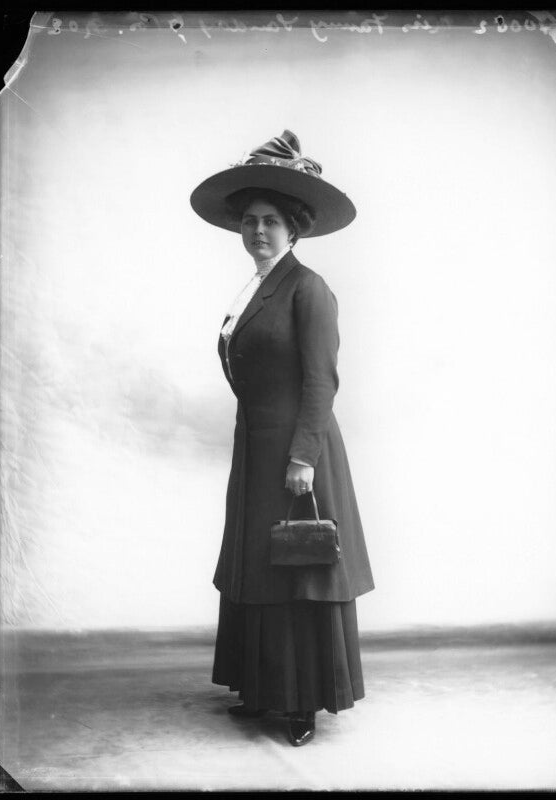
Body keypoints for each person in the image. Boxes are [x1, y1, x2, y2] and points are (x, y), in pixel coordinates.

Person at [190, 130, 374, 747]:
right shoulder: (254, 288)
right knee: (260, 569)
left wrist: (302, 457)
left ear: (293, 227)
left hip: (299, 450)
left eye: (270, 221)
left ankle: (302, 706)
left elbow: (322, 381)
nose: (258, 231)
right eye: (249, 221)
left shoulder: (309, 287)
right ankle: (262, 687)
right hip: (256, 447)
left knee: (299, 574)